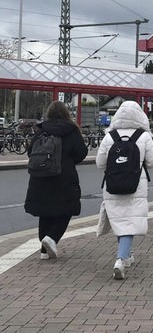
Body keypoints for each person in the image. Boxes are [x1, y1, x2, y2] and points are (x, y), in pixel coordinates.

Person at [96, 101, 153, 280]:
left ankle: (127, 254)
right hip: (135, 185)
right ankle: (120, 259)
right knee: (129, 223)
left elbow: (100, 163)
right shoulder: (144, 136)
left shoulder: (110, 137)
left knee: (120, 221)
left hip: (112, 184)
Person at [25, 100, 88, 260]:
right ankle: (51, 238)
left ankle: (44, 251)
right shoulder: (71, 130)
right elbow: (81, 153)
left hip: (40, 177)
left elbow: (30, 151)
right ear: (66, 113)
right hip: (63, 177)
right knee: (66, 209)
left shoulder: (41, 130)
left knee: (44, 211)